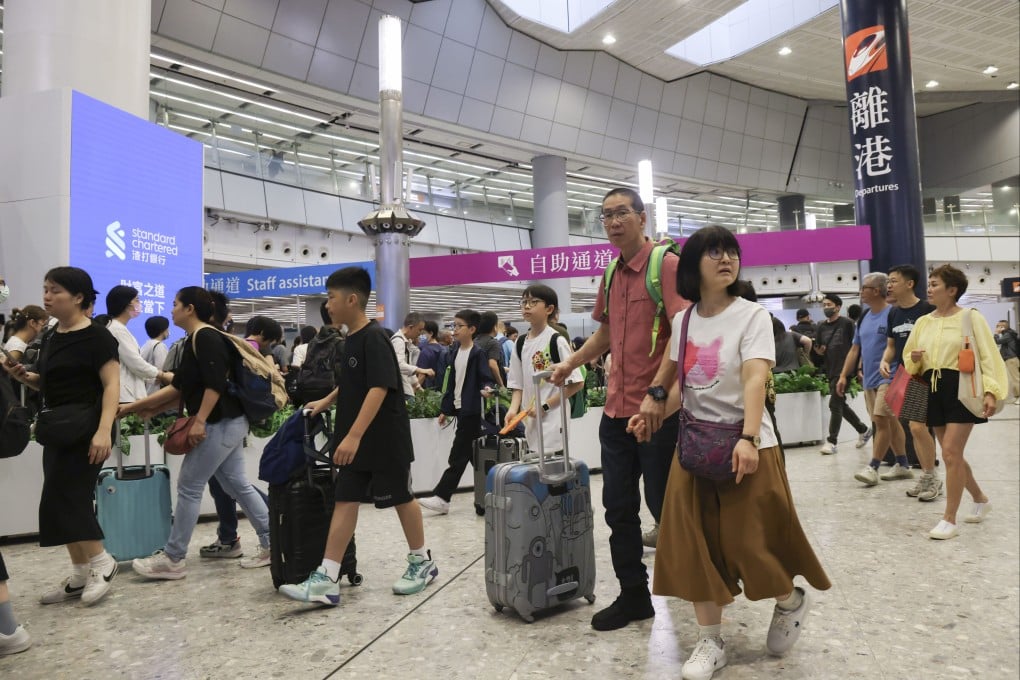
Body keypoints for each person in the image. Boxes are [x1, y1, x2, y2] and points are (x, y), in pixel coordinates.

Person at [628, 226, 830, 680]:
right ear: (693, 265)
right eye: (714, 252)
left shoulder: (752, 316)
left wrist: (749, 436)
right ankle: (710, 641)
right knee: (693, 546)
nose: (726, 260)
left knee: (749, 544)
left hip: (747, 445)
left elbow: (756, 378)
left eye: (732, 253)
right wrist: (655, 413)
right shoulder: (684, 322)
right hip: (695, 448)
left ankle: (789, 600)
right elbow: (688, 386)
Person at [550, 187, 687, 632]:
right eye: (605, 215)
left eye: (621, 213)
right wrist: (571, 361)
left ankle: (703, 579)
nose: (612, 222)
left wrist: (659, 394)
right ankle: (634, 596)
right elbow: (606, 335)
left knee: (668, 505)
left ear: (641, 218)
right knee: (618, 509)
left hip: (658, 412)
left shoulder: (665, 265)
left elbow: (681, 334)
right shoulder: (610, 273)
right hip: (616, 413)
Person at [280, 267, 437, 604]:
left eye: (332, 298)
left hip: (383, 437)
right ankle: (327, 576)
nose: (328, 305)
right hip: (356, 437)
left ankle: (422, 561)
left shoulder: (375, 337)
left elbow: (380, 386)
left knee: (400, 497)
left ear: (352, 299)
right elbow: (355, 381)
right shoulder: (351, 338)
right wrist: (326, 400)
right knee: (345, 499)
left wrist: (352, 436)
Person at [120, 287, 272, 578]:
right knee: (236, 484)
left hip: (219, 423)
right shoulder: (197, 339)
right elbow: (182, 389)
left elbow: (214, 384)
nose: (172, 309)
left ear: (190, 309)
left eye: (176, 304)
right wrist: (138, 408)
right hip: (228, 421)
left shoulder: (205, 337)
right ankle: (271, 542)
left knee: (190, 485)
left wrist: (199, 420)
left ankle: (173, 559)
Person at [3, 267, 121, 606]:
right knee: (56, 499)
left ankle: (102, 562)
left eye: (54, 290)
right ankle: (80, 573)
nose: (46, 296)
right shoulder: (53, 335)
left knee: (72, 497)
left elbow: (111, 386)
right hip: (57, 428)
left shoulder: (97, 336)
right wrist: (24, 375)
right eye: (45, 289)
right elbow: (49, 385)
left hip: (87, 429)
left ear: (78, 296)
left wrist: (103, 431)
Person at [902, 265, 1008, 540]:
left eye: (935, 284)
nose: (930, 288)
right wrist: (913, 359)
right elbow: (908, 357)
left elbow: (988, 356)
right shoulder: (924, 322)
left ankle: (949, 519)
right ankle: (981, 499)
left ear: (952, 290)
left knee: (949, 452)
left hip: (961, 386)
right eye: (930, 283)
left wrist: (991, 391)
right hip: (931, 387)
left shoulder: (971, 318)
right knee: (954, 456)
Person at [835, 273, 914, 486]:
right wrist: (844, 375)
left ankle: (873, 467)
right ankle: (903, 464)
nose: (861, 291)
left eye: (864, 287)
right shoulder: (864, 317)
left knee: (880, 419)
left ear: (876, 290)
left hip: (890, 376)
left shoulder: (893, 314)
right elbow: (855, 349)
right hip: (869, 379)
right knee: (888, 421)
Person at [418, 309, 496, 515]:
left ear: (471, 329)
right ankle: (494, 493)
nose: (454, 330)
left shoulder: (477, 353)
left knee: (458, 456)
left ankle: (442, 497)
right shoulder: (454, 353)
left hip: (472, 411)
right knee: (475, 457)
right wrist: (446, 409)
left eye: (458, 326)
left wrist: (488, 388)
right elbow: (452, 384)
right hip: (462, 410)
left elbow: (485, 377)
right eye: (453, 326)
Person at [879, 264, 941, 501]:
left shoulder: (927, 309)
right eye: (888, 281)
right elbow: (892, 345)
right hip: (905, 374)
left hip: (927, 375)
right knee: (913, 427)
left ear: (909, 283)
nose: (890, 285)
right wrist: (885, 361)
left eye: (893, 281)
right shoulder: (894, 313)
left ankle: (931, 476)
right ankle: (927, 475)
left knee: (919, 427)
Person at [505, 286, 583, 456]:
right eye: (524, 302)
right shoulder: (519, 343)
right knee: (537, 467)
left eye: (533, 302)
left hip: (554, 418)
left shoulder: (556, 340)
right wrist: (513, 409)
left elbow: (577, 383)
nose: (526, 306)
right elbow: (517, 384)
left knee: (555, 467)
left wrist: (545, 406)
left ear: (549, 309)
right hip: (530, 419)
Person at [816, 293, 871, 454]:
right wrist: (819, 351)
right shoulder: (820, 326)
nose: (826, 308)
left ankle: (832, 441)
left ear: (838, 307)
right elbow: (818, 350)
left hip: (845, 369)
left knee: (834, 403)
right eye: (824, 305)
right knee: (840, 404)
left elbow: (857, 346)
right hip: (831, 369)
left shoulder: (847, 324)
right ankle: (863, 429)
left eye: (829, 304)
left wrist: (859, 368)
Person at [105, 286, 173, 403]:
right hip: (125, 396)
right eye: (136, 300)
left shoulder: (119, 328)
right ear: (126, 304)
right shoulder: (117, 330)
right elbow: (135, 362)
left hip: (129, 394)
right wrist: (162, 375)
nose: (139, 304)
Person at [391, 312, 432, 399]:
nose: (420, 334)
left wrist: (417, 386)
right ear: (411, 327)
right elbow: (399, 365)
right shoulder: (398, 341)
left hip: (406, 389)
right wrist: (421, 370)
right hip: (401, 391)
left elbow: (408, 370)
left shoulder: (406, 342)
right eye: (419, 330)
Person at [140, 316, 171, 394]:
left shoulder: (146, 345)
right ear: (162, 330)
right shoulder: (159, 346)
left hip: (145, 390)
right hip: (154, 390)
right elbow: (163, 371)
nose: (168, 331)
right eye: (167, 328)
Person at [415, 320, 448, 390]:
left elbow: (421, 376)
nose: (420, 335)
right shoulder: (443, 349)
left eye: (423, 333)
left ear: (431, 333)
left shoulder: (426, 351)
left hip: (427, 389)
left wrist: (413, 391)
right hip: (440, 387)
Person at [994, 320, 1019, 404]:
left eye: (998, 326)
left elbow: (997, 341)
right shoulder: (1008, 334)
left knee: (1016, 379)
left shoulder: (1008, 335)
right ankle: (1017, 396)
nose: (996, 328)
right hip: (1009, 359)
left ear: (1003, 327)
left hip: (1011, 359)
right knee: (1013, 379)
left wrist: (996, 333)